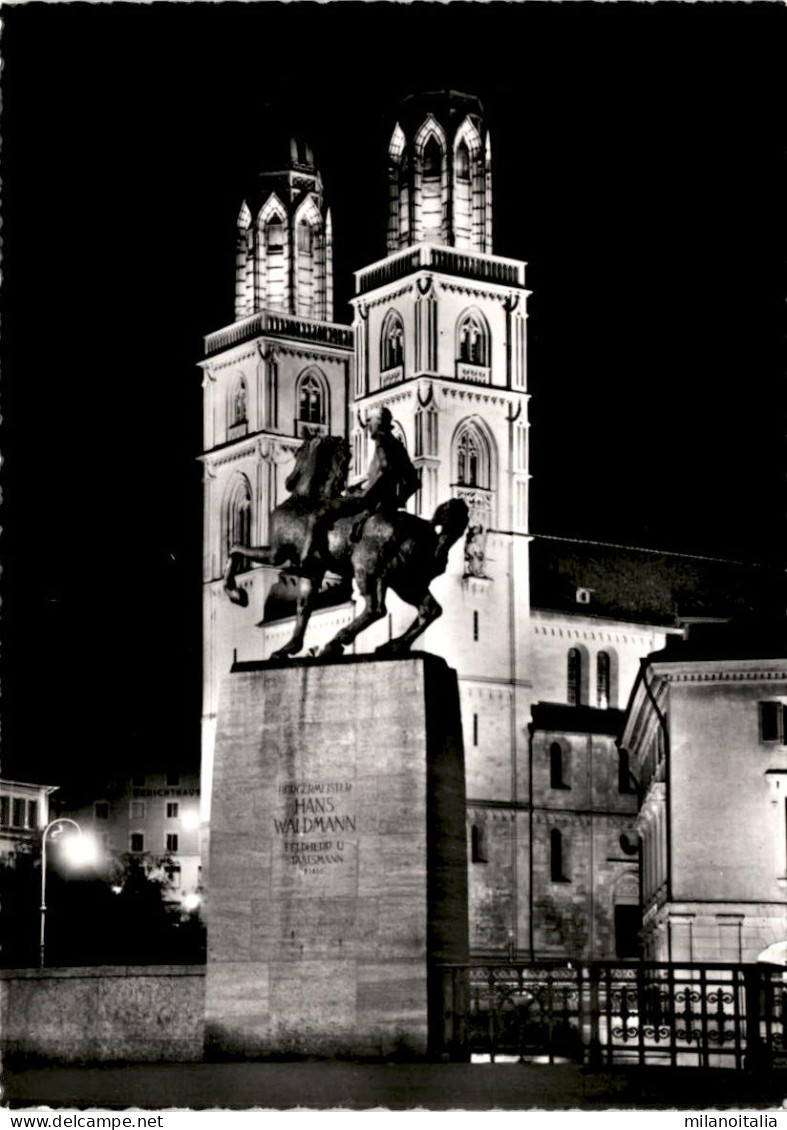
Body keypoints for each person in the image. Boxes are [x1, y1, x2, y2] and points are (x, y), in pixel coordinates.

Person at [300, 405, 419, 566]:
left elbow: (385, 471)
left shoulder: (382, 443)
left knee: (318, 515)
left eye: (370, 421)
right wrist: (397, 501)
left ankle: (306, 560)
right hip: (386, 503)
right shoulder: (398, 446)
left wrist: (365, 495)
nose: (368, 426)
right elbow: (414, 481)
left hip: (368, 501)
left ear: (379, 423)